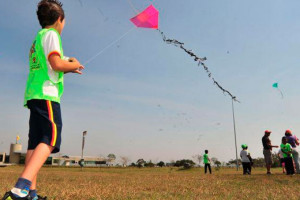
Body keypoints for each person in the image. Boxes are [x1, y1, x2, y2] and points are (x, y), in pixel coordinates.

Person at [2, 1, 84, 200]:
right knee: (50, 139)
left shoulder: (39, 38)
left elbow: (53, 63)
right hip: (47, 95)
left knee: (34, 144)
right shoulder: (52, 35)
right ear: (59, 19)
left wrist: (69, 63)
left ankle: (31, 194)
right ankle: (20, 188)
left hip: (34, 95)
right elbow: (56, 64)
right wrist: (72, 66)